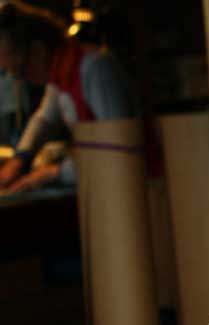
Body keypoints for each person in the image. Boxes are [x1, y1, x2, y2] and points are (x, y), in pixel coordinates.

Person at [0, 2, 135, 193]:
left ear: (38, 51)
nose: (20, 82)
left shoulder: (94, 68)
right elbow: (45, 118)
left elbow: (118, 149)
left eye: (19, 73)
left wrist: (53, 172)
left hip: (133, 189)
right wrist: (19, 158)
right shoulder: (60, 75)